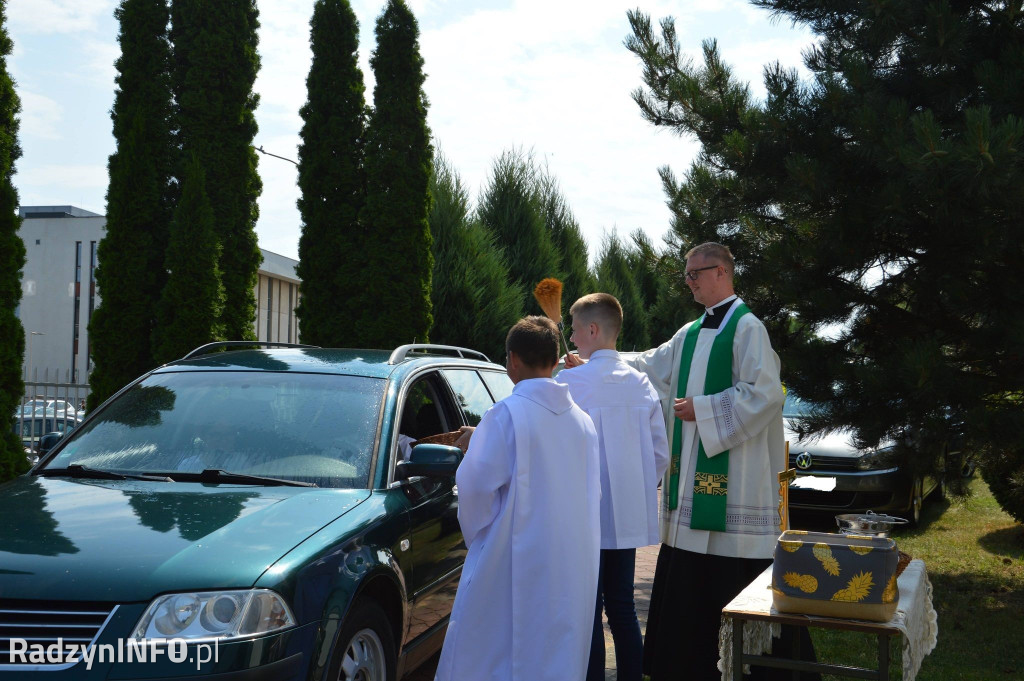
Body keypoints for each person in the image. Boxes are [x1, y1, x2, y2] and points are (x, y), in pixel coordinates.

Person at [566, 242, 816, 681]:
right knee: (690, 580)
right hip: (692, 492)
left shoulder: (747, 328)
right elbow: (646, 366)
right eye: (687, 275)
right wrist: (593, 361)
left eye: (694, 274)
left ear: (721, 272)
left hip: (734, 486)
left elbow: (766, 394)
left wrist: (703, 408)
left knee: (728, 577)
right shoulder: (690, 331)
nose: (688, 281)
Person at [434, 316, 602, 681]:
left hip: (510, 558)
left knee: (495, 653)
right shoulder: (583, 421)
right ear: (556, 359)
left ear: (512, 359)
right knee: (555, 652)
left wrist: (481, 541)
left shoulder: (506, 414)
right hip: (569, 564)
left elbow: (477, 487)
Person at [555, 293, 669, 681]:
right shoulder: (641, 384)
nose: (570, 339)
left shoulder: (570, 381)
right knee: (621, 605)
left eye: (573, 330)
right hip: (625, 513)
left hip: (582, 512)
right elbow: (659, 453)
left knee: (587, 606)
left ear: (592, 329)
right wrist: (635, 487)